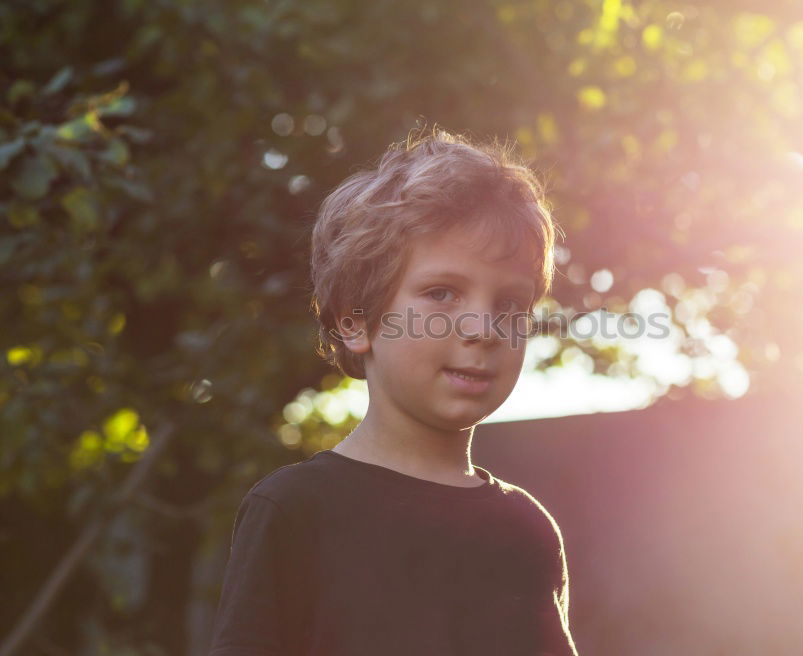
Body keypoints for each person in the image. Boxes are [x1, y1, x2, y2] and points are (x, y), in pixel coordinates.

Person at [208, 127, 579, 655]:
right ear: (355, 323)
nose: (483, 327)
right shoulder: (294, 512)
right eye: (441, 293)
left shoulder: (526, 529)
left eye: (510, 305)